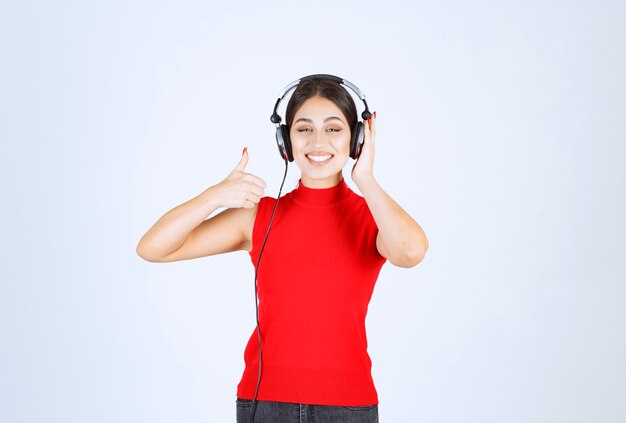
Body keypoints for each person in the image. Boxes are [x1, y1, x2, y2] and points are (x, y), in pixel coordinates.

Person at [136, 76, 429, 423]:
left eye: (334, 129)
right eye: (304, 129)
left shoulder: (374, 217)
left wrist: (365, 176)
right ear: (286, 140)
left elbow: (411, 252)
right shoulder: (258, 215)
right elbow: (152, 248)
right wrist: (213, 196)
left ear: (357, 138)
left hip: (348, 406)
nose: (318, 141)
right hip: (264, 404)